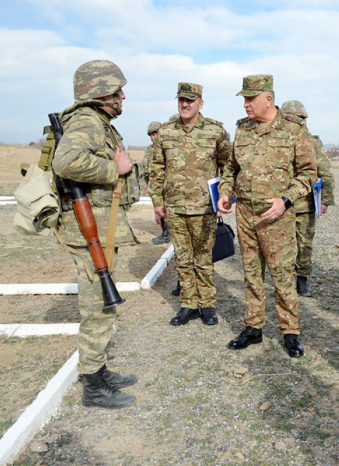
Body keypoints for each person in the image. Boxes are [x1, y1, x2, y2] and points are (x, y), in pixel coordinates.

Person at [52, 59, 138, 408]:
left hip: (99, 231)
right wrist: (113, 168)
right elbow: (65, 161)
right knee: (97, 309)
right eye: (117, 91)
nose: (122, 98)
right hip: (89, 233)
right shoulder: (87, 121)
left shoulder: (97, 122)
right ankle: (93, 387)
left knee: (102, 305)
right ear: (100, 92)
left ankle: (98, 371)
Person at [218, 75, 316, 358]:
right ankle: (253, 327)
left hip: (276, 217)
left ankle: (290, 331)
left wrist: (286, 200)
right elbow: (231, 168)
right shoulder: (243, 129)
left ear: (268, 100)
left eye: (250, 99)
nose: (246, 105)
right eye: (244, 99)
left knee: (282, 275)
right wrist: (226, 192)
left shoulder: (293, 129)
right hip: (246, 214)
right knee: (251, 273)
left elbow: (308, 173)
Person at [150, 83, 231, 326]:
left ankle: (207, 305)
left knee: (204, 258)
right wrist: (157, 202)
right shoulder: (165, 132)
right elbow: (156, 169)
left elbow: (229, 167)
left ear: (200, 103)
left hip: (204, 208)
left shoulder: (215, 132)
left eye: (190, 100)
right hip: (175, 208)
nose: (185, 104)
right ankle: (188, 305)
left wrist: (224, 197)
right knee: (183, 259)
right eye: (181, 100)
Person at [281, 100, 335, 297]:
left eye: (296, 120)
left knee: (304, 244)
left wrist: (325, 200)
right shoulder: (276, 141)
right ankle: (285, 282)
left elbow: (325, 172)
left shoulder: (313, 142)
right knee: (282, 246)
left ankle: (302, 280)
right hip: (282, 205)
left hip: (305, 204)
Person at [141, 121, 170, 245]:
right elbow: (144, 169)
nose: (154, 137)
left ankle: (169, 233)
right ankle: (165, 233)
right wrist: (143, 184)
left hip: (167, 185)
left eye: (156, 133)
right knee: (159, 209)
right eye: (152, 134)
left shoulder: (167, 147)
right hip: (155, 185)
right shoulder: (149, 150)